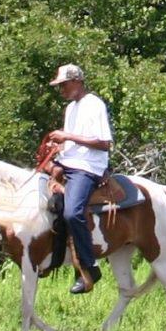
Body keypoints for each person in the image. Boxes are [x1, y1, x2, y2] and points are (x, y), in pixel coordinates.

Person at [46, 63, 113, 294]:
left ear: (77, 82)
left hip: (87, 167)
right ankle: (54, 259)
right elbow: (71, 143)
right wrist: (58, 148)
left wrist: (68, 136)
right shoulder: (70, 109)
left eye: (64, 85)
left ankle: (89, 266)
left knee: (73, 212)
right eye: (60, 86)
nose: (61, 90)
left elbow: (104, 143)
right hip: (70, 163)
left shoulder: (94, 104)